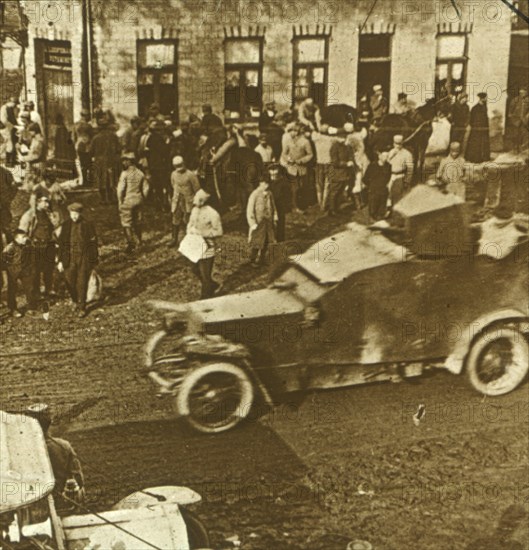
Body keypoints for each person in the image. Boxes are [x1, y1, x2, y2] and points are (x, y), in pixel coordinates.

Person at [26, 403, 85, 499]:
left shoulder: (21, 450)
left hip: (35, 506)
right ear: (49, 422)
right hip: (63, 503)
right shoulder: (64, 446)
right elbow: (79, 480)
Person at [57, 202, 98, 317]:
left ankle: (82, 306)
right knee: (69, 281)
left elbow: (93, 243)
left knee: (82, 282)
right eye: (72, 213)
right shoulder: (66, 225)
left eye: (76, 213)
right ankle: (75, 300)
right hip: (69, 258)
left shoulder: (87, 225)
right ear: (69, 213)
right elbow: (61, 243)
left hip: (83, 258)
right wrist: (60, 260)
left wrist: (93, 260)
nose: (74, 216)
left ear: (80, 213)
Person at [186, 189, 223, 299]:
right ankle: (211, 285)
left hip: (207, 247)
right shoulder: (194, 210)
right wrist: (190, 231)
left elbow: (219, 231)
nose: (194, 202)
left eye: (196, 200)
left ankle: (205, 298)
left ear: (203, 201)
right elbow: (190, 224)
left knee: (205, 274)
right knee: (194, 268)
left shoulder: (213, 213)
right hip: (195, 245)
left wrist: (204, 233)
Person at [19, 192, 56, 298]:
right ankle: (36, 292)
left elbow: (54, 228)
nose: (47, 205)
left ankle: (48, 289)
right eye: (45, 202)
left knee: (49, 269)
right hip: (36, 247)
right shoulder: (29, 215)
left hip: (49, 245)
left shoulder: (49, 214)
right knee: (35, 270)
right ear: (38, 202)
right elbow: (22, 232)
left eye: (48, 202)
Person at [117, 152, 149, 253]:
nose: (123, 163)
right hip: (138, 199)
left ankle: (131, 244)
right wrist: (143, 198)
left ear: (128, 161)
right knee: (137, 222)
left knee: (126, 223)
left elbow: (120, 189)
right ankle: (139, 241)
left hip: (128, 200)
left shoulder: (125, 174)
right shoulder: (140, 173)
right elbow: (146, 187)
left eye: (124, 161)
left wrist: (120, 201)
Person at [1, 229, 38, 317]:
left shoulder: (29, 245)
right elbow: (3, 259)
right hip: (13, 271)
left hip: (26, 270)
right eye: (23, 237)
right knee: (12, 290)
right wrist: (9, 268)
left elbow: (33, 257)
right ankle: (13, 309)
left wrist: (31, 268)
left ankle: (31, 308)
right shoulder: (10, 247)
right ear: (16, 239)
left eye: (25, 236)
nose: (25, 239)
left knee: (30, 288)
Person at [280, 122, 313, 213]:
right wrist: (288, 159)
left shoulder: (305, 142)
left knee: (301, 187)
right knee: (293, 188)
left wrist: (301, 160)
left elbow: (310, 155)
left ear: (299, 132)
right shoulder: (288, 141)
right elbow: (284, 153)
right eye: (292, 131)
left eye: (295, 131)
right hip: (291, 168)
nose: (293, 133)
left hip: (301, 168)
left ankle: (300, 204)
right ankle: (294, 206)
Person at [170, 155, 200, 247]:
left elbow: (197, 188)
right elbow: (173, 185)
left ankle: (190, 240)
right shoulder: (173, 174)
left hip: (188, 200)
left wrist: (195, 200)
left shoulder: (190, 175)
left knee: (189, 220)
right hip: (177, 200)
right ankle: (174, 239)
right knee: (175, 218)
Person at [247, 179, 278, 266]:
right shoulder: (255, 194)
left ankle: (262, 258)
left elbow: (273, 206)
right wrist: (252, 223)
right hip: (258, 223)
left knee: (266, 241)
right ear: (260, 183)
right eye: (264, 183)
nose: (266, 185)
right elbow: (250, 210)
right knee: (257, 241)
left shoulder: (269, 194)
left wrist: (275, 216)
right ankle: (253, 259)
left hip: (268, 222)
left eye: (268, 183)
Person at [90, 115, 121, 203]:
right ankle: (111, 198)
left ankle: (103, 199)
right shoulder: (113, 136)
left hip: (99, 161)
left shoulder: (96, 138)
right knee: (111, 179)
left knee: (101, 180)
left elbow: (91, 151)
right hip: (111, 160)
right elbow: (119, 149)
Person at [327, 128, 355, 215]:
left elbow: (351, 155)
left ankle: (337, 208)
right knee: (334, 191)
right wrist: (346, 164)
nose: (343, 138)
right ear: (337, 137)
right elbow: (334, 162)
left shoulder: (347, 146)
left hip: (345, 173)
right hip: (337, 173)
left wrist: (351, 161)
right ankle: (332, 210)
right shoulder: (334, 147)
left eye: (344, 137)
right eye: (341, 137)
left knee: (340, 191)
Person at [145, 119, 171, 209]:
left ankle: (158, 203)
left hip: (153, 165)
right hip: (162, 165)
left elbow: (147, 151)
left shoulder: (151, 138)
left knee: (157, 185)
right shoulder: (162, 139)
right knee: (163, 184)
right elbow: (165, 152)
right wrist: (167, 144)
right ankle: (163, 204)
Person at [364, 148, 391, 221]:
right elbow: (365, 178)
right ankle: (372, 216)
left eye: (387, 156)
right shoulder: (372, 166)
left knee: (382, 203)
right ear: (380, 156)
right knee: (373, 203)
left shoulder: (388, 166)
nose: (386, 158)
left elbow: (388, 177)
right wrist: (371, 185)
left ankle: (380, 216)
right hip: (374, 189)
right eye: (384, 156)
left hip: (383, 188)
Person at [312, 124, 335, 209]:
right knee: (327, 184)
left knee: (318, 184)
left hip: (319, 163)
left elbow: (313, 130)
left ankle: (320, 203)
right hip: (329, 163)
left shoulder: (316, 138)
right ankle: (324, 204)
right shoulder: (331, 139)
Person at [387, 134, 414, 207]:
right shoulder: (390, 152)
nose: (397, 146)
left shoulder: (407, 154)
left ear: (402, 143)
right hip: (390, 176)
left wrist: (407, 181)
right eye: (396, 144)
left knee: (399, 197)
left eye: (399, 144)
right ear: (393, 143)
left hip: (400, 176)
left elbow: (410, 169)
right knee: (388, 196)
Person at [267, 163, 290, 242]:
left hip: (280, 205)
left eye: (275, 174)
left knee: (280, 221)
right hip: (270, 204)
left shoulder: (283, 182)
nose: (273, 176)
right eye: (271, 174)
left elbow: (287, 196)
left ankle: (280, 238)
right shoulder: (268, 182)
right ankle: (271, 237)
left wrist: (286, 206)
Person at [465, 92, 490, 163]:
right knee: (475, 143)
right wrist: (476, 127)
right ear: (482, 98)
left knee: (483, 143)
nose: (486, 99)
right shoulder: (475, 108)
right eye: (485, 98)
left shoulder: (485, 107)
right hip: (476, 129)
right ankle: (474, 158)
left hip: (484, 128)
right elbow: (472, 119)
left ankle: (484, 157)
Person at [73, 108, 94, 186]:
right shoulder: (88, 126)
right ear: (86, 116)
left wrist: (76, 143)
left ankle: (82, 180)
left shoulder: (76, 124)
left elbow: (73, 137)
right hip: (86, 147)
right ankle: (87, 180)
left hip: (78, 146)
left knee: (80, 163)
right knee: (87, 164)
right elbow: (92, 137)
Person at [508, 87, 529, 153]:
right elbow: (510, 112)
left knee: (524, 134)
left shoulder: (528, 100)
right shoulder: (515, 100)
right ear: (519, 93)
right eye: (521, 93)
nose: (523, 94)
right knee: (515, 135)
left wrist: (527, 116)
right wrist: (513, 119)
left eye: (524, 92)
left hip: (525, 121)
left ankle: (523, 148)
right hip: (516, 121)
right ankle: (515, 148)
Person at [0, 96, 19, 166]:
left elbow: (12, 118)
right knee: (9, 144)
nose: (15, 106)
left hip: (10, 128)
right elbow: (3, 119)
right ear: (11, 102)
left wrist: (16, 125)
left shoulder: (10, 108)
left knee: (10, 143)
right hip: (5, 128)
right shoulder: (4, 108)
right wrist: (11, 126)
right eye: (15, 104)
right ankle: (8, 162)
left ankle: (12, 160)